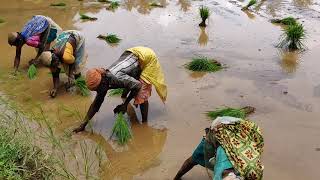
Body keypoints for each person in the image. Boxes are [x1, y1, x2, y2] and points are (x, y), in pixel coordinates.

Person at [73, 46, 167, 133]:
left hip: (147, 57)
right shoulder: (104, 81)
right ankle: (124, 96)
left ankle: (144, 124)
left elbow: (137, 86)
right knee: (128, 81)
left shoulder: (115, 78)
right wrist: (83, 125)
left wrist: (125, 104)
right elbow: (95, 105)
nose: (99, 91)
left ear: (103, 81)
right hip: (132, 53)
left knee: (141, 95)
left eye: (98, 88)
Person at [174, 116, 264, 180]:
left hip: (236, 139)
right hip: (218, 135)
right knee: (194, 159)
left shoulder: (252, 171)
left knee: (194, 160)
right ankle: (177, 177)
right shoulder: (223, 170)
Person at [38, 30, 87, 98]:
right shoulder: (53, 55)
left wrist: (70, 75)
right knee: (62, 65)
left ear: (55, 59)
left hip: (77, 37)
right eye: (52, 66)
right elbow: (55, 75)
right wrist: (55, 89)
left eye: (54, 64)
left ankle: (82, 87)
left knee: (76, 68)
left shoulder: (65, 56)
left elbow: (74, 59)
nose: (54, 66)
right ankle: (72, 81)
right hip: (65, 37)